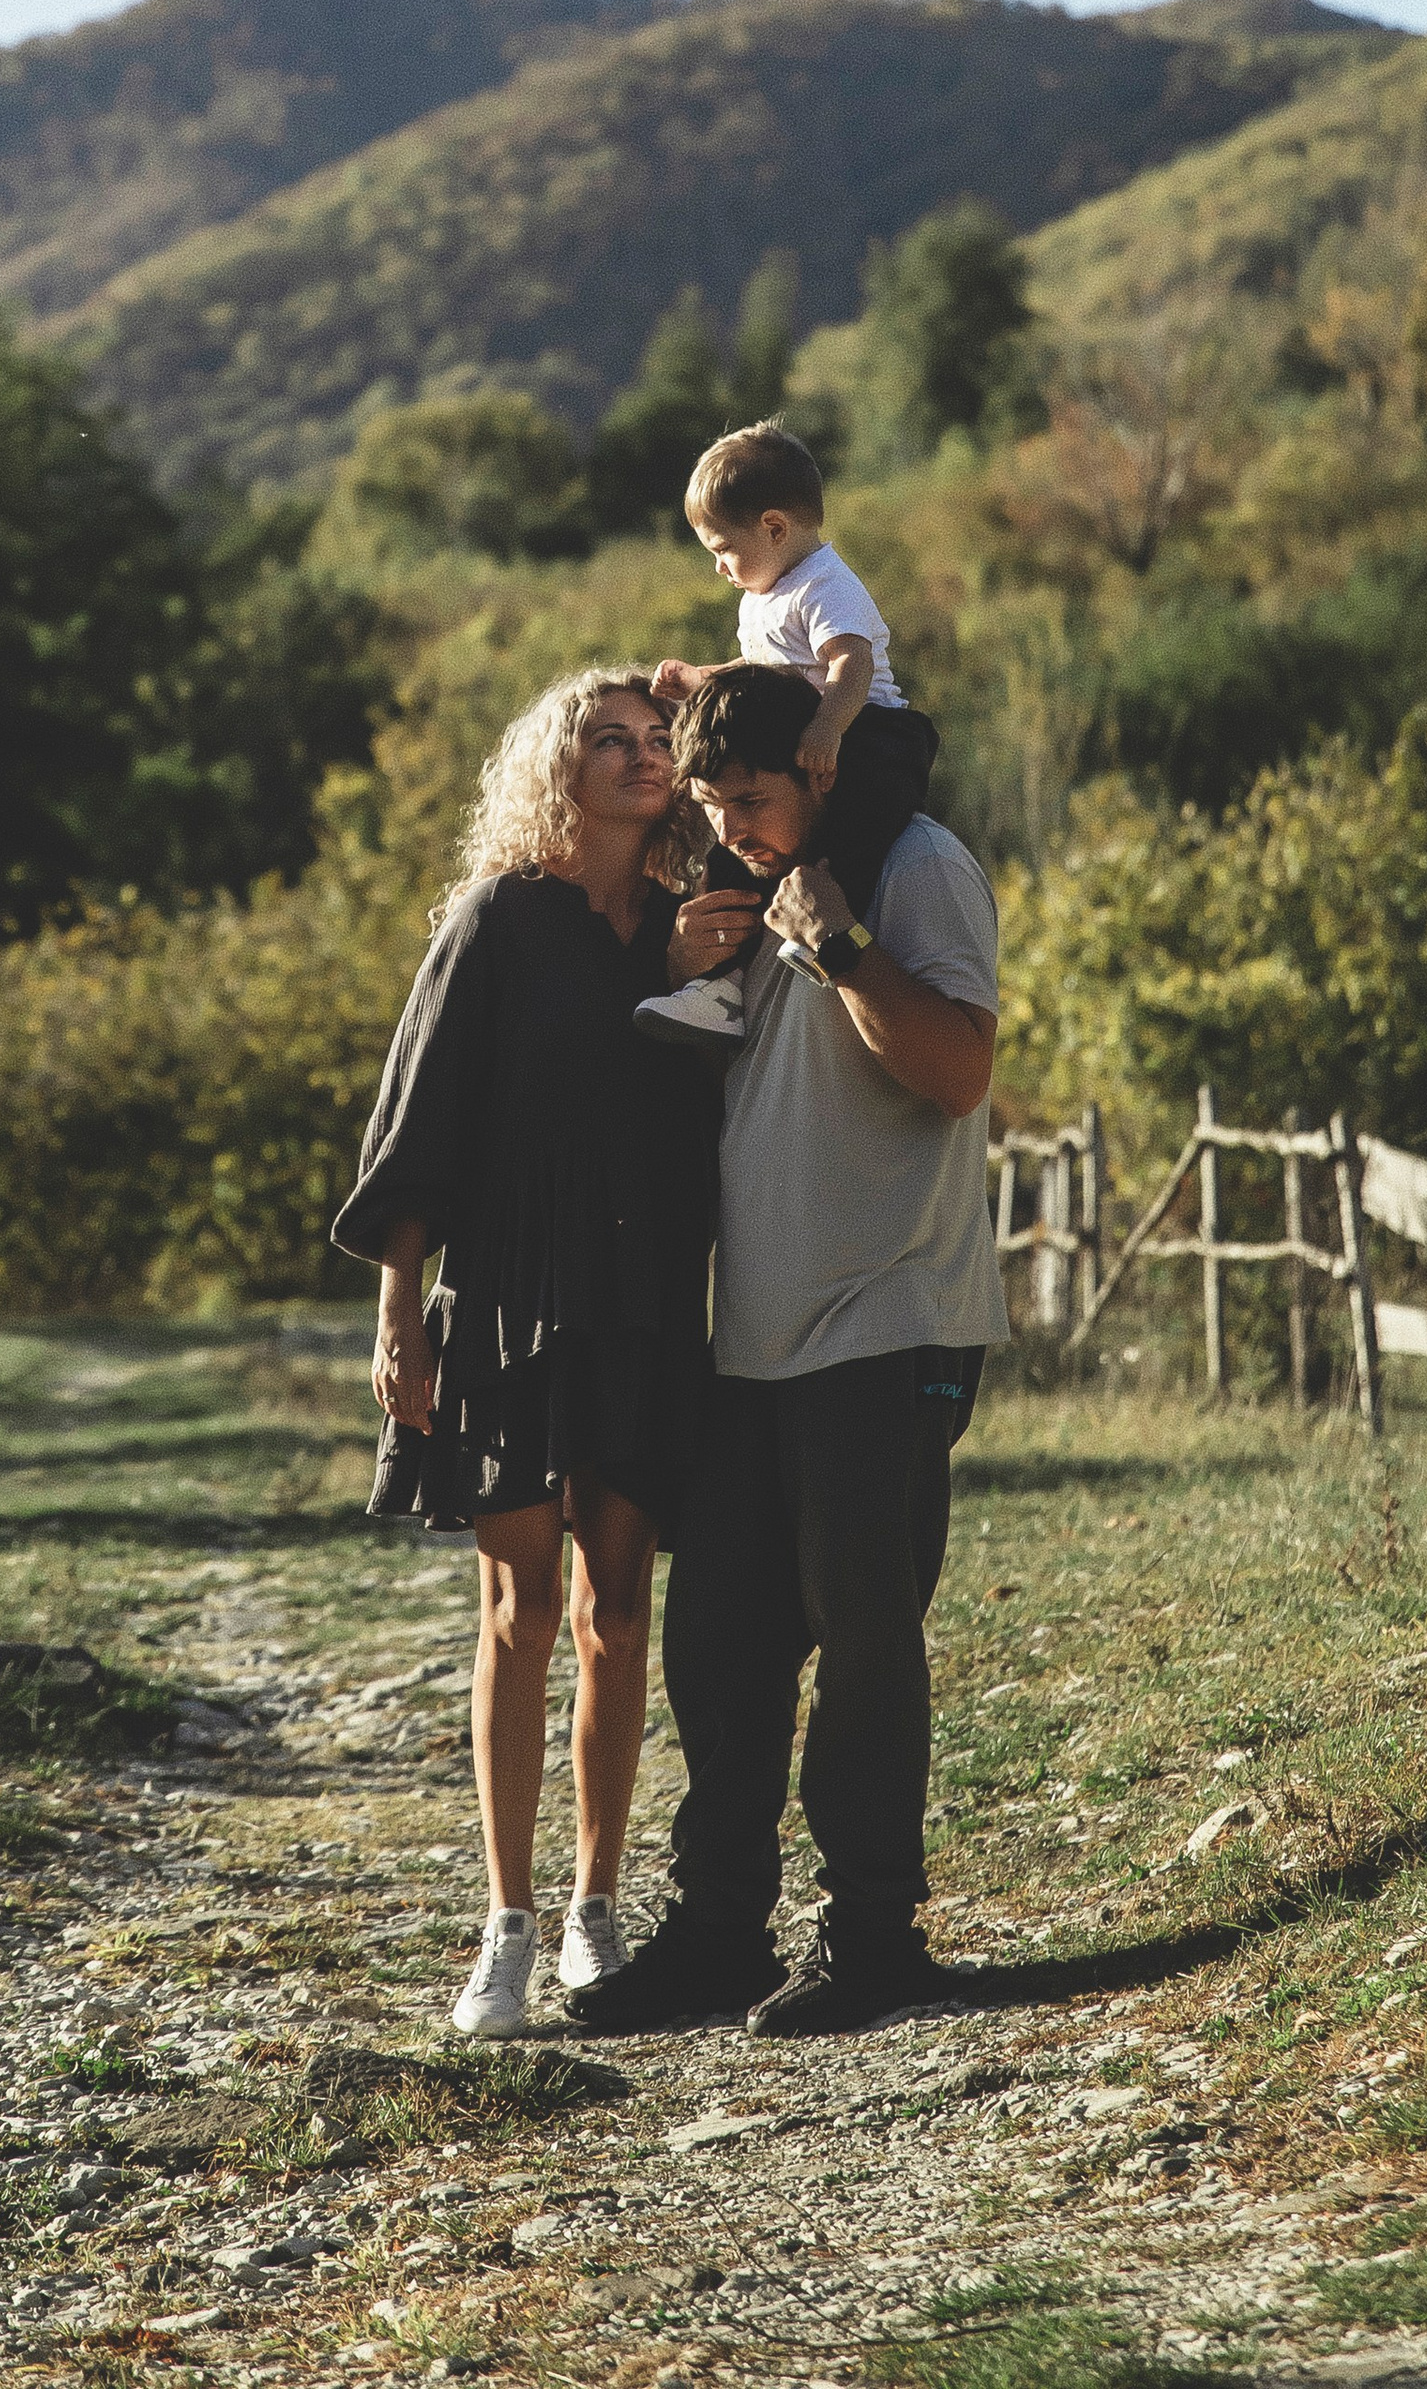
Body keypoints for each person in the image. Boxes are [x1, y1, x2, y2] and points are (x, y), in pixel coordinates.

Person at [571, 660, 1008, 2042]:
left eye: (751, 800)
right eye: (712, 806)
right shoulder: (743, 888)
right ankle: (716, 1936)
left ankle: (875, 1939)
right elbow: (753, 1089)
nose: (733, 828)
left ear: (818, 769)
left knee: (866, 1643)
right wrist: (685, 974)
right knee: (718, 1645)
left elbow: (959, 1074)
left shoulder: (917, 865)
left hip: (889, 1318)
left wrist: (845, 947)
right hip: (752, 1339)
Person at [330, 671, 719, 2040]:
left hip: (647, 1301)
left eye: (656, 738)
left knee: (620, 1612)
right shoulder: (496, 920)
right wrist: (399, 1313)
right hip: (508, 1298)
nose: (638, 756)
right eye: (607, 739)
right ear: (558, 768)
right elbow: (418, 1124)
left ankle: (593, 1913)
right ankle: (504, 1926)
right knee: (521, 1608)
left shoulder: (689, 924)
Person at [636, 420, 938, 1049]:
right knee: (728, 852)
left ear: (774, 528)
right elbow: (758, 670)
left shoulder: (824, 584)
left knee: (857, 831)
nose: (719, 567)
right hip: (802, 735)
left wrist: (829, 727)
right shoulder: (761, 596)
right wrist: (698, 678)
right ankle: (722, 986)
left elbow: (851, 662)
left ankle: (831, 930)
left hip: (871, 733)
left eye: (723, 548)